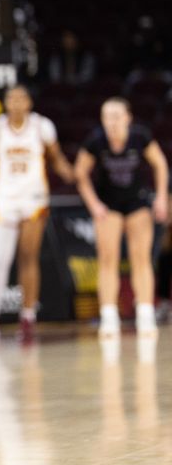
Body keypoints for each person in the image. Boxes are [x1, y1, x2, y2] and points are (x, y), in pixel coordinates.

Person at [0, 85, 74, 342]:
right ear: (5, 103)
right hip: (4, 198)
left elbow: (56, 158)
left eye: (22, 98)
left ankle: (28, 316)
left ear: (30, 103)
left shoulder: (42, 126)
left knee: (28, 257)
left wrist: (71, 173)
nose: (17, 102)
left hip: (33, 197)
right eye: (12, 98)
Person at [75, 98, 168, 340]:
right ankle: (109, 317)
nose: (112, 122)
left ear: (128, 118)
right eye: (107, 117)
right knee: (108, 260)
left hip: (137, 202)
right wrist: (94, 205)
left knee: (141, 259)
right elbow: (80, 173)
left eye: (116, 116)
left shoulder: (140, 137)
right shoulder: (95, 141)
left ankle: (145, 315)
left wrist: (160, 198)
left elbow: (160, 164)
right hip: (108, 205)